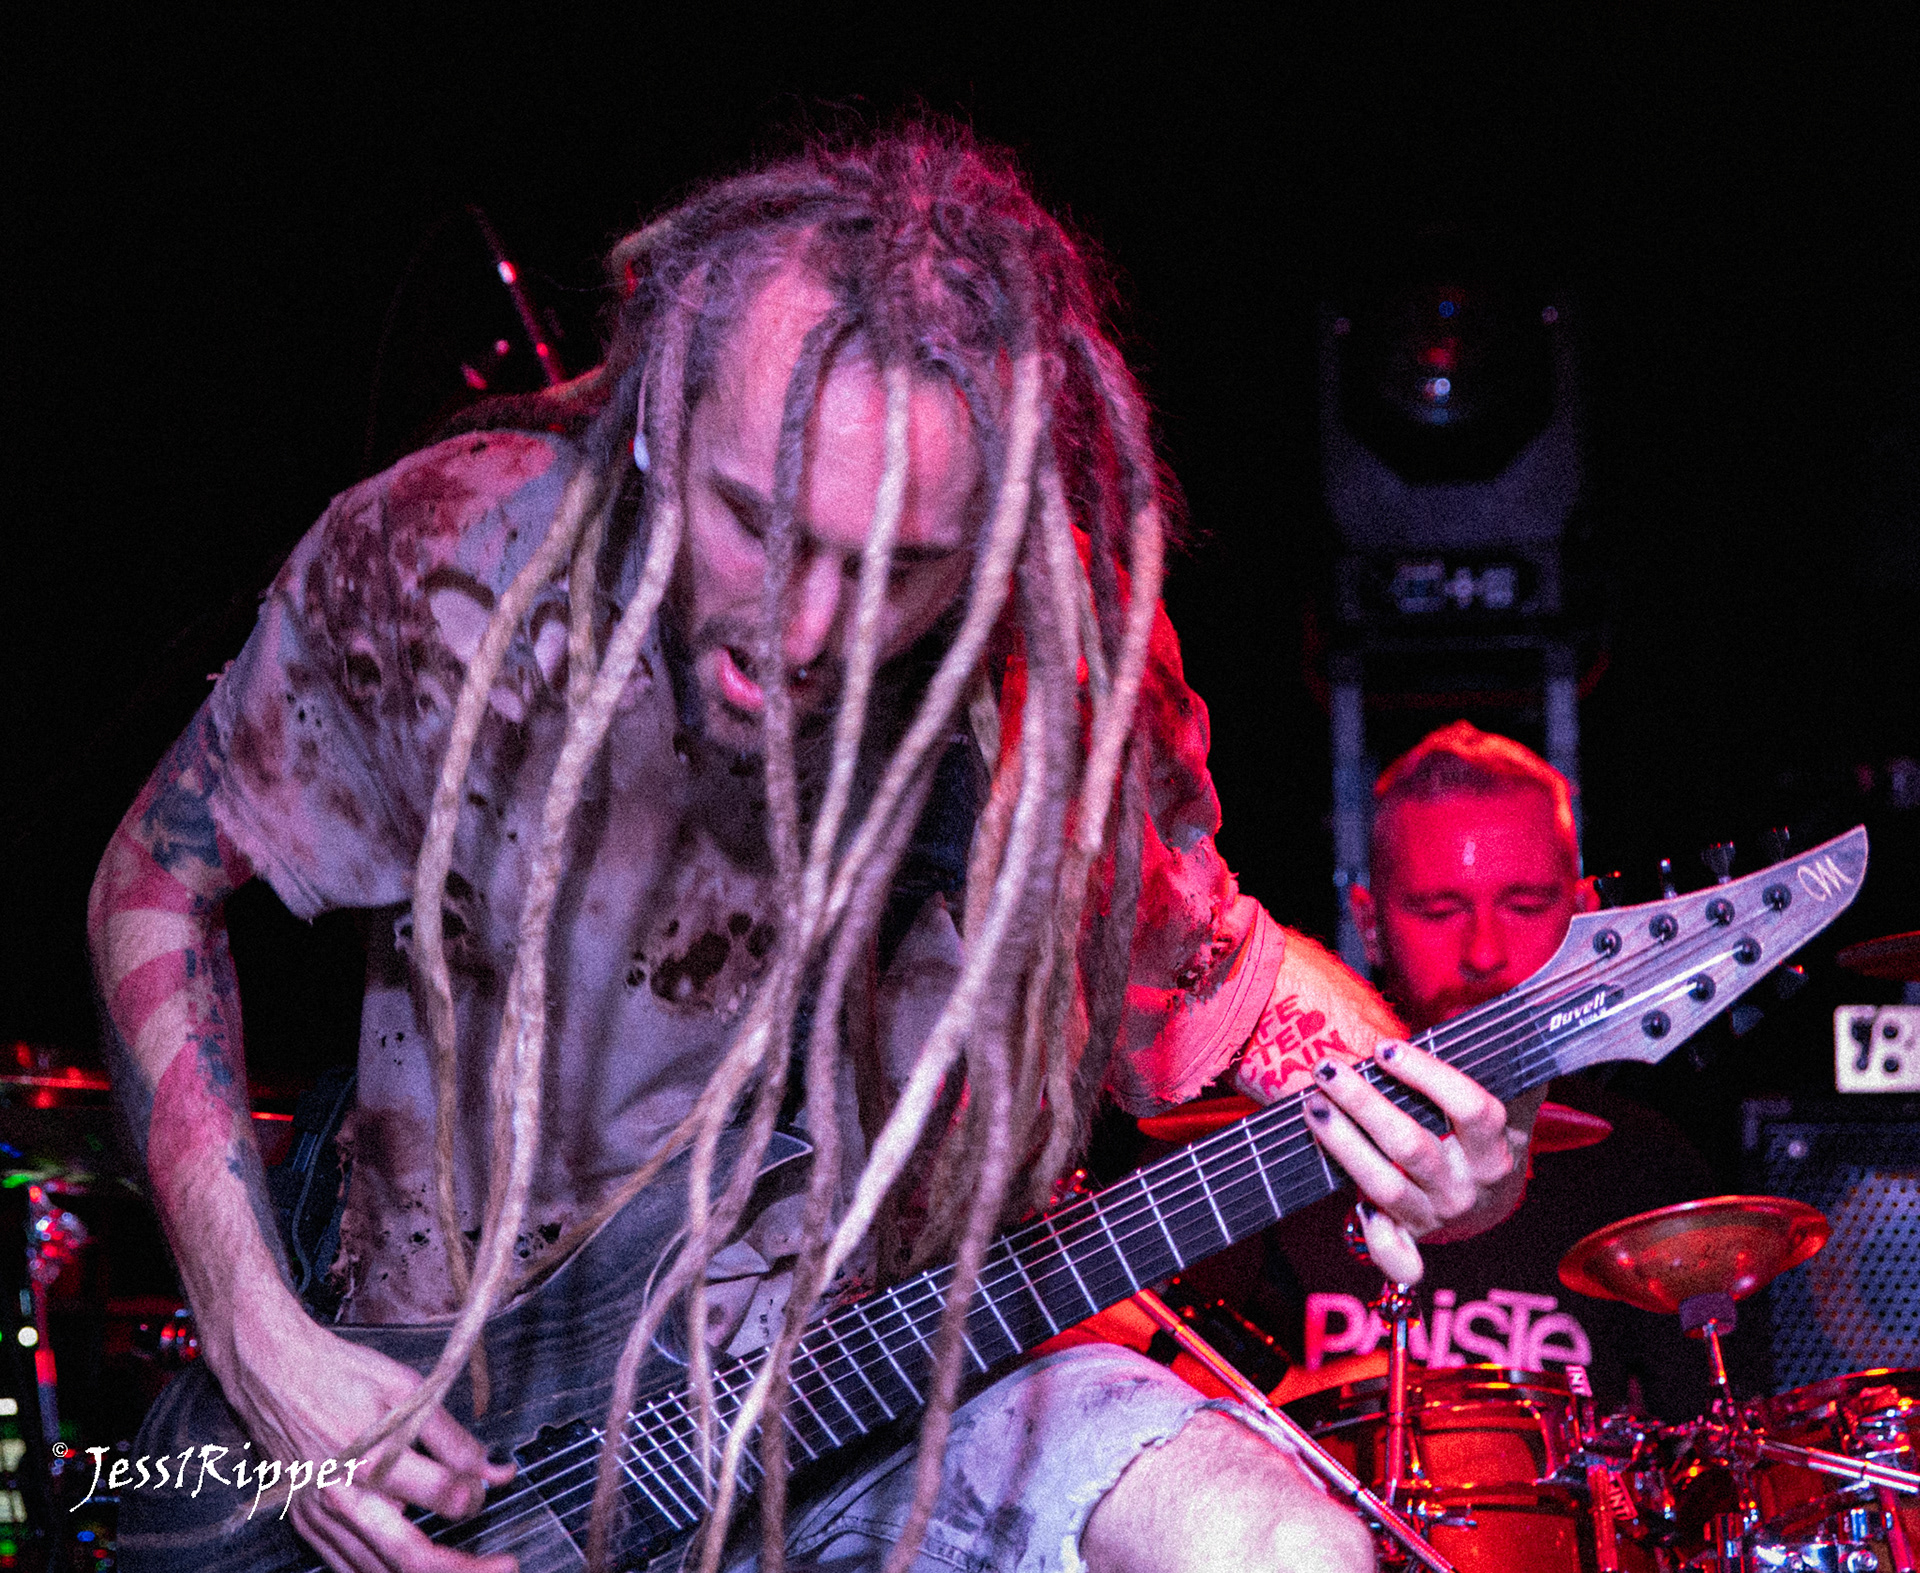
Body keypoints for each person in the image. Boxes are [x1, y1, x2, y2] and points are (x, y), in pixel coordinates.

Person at [88, 128, 1536, 1573]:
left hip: (868, 1401)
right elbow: (155, 884)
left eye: (899, 568)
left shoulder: (1061, 675)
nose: (804, 631)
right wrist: (259, 1335)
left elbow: (1227, 980)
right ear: (661, 418)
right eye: (753, 524)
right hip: (464, 1434)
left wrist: (1461, 1137)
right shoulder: (461, 560)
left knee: (1277, 1545)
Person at [1262, 721, 1714, 1420]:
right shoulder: (1260, 1146)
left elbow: (1711, 1452)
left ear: (1585, 916)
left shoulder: (1651, 1171)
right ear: (1370, 925)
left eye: (1525, 905)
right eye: (1438, 909)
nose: (1484, 952)